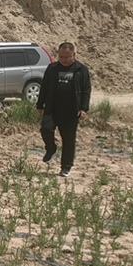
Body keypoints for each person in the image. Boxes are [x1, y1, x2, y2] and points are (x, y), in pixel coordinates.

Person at [36, 42, 91, 177]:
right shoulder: (52, 68)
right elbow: (44, 87)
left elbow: (86, 90)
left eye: (67, 57)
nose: (64, 60)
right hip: (52, 108)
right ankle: (51, 149)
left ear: (74, 55)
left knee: (68, 140)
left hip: (71, 111)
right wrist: (40, 104)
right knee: (46, 129)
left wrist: (83, 108)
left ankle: (66, 167)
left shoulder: (81, 70)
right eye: (61, 57)